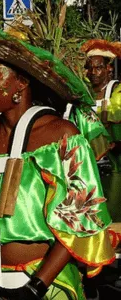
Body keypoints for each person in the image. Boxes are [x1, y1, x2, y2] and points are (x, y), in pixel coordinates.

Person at [0, 16, 115, 299]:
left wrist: (37, 286)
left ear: (20, 83)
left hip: (44, 283)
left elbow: (83, 220)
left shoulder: (60, 133)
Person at [81, 39, 121, 221]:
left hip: (115, 164)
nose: (93, 72)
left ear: (109, 69)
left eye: (98, 68)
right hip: (87, 163)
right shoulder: (83, 93)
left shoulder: (117, 91)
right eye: (89, 68)